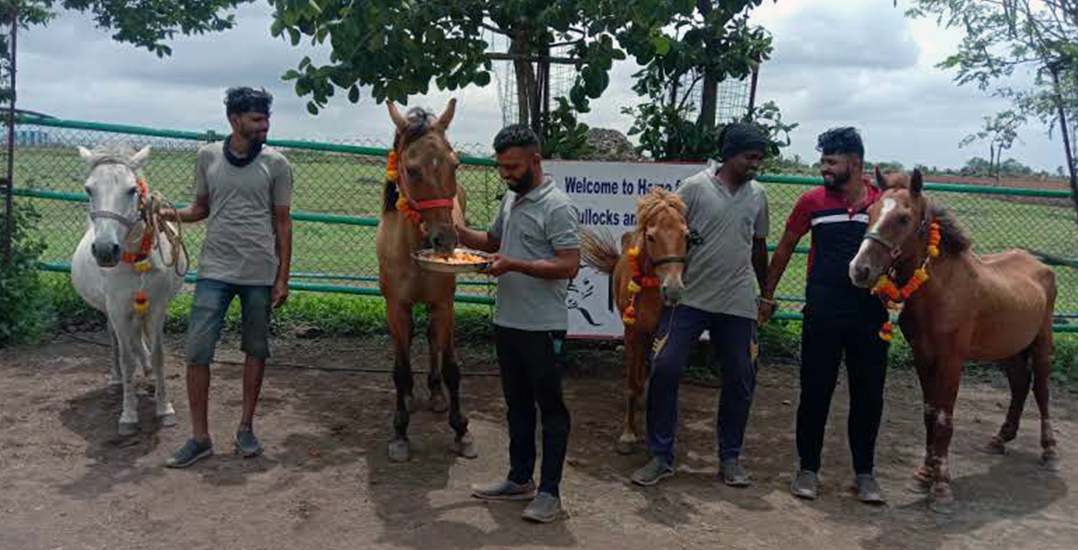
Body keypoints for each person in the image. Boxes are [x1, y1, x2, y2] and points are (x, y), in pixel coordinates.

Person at [630, 122, 770, 488]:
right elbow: (665, 228)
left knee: (742, 374)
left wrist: (766, 293)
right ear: (728, 156)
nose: (755, 164)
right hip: (689, 296)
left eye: (759, 158)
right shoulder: (693, 188)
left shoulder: (758, 195)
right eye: (749, 157)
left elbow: (758, 247)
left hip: (737, 298)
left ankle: (730, 458)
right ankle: (660, 455)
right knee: (664, 366)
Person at [162, 86, 293, 468]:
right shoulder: (207, 158)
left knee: (256, 349)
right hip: (214, 270)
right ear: (234, 120)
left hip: (258, 272)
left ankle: (246, 428)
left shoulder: (278, 164)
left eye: (266, 118)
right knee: (197, 351)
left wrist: (282, 278)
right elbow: (199, 209)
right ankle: (200, 437)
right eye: (256, 119)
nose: (264, 125)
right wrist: (166, 212)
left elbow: (283, 224)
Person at [456, 124, 580, 523]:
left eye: (512, 167)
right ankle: (519, 479)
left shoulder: (556, 205)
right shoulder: (512, 199)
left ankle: (550, 492)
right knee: (517, 406)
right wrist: (456, 233)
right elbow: (492, 242)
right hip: (508, 321)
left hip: (543, 326)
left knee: (551, 408)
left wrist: (514, 265)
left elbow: (568, 264)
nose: (506, 174)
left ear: (535, 160)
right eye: (501, 168)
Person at [758, 127, 888, 504]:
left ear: (856, 163)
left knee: (869, 395)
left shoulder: (881, 204)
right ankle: (808, 468)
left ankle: (865, 473)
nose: (824, 168)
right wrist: (767, 295)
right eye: (823, 161)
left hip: (871, 313)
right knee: (815, 392)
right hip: (823, 310)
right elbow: (783, 251)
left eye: (831, 162)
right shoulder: (811, 202)